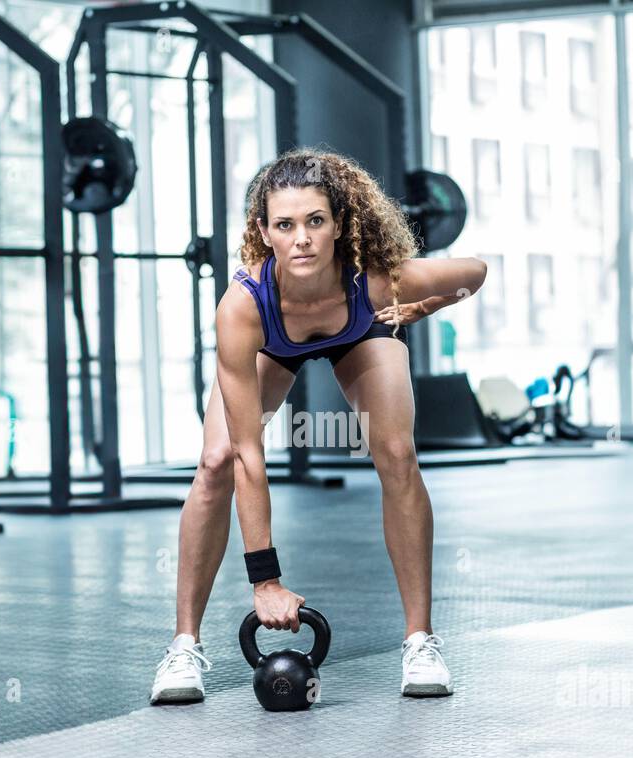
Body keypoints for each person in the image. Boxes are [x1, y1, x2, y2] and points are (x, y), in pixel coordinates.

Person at [150, 148, 486, 704]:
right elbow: (248, 454)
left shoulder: (380, 281)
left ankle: (420, 640)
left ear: (338, 226)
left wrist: (421, 308)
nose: (301, 238)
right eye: (285, 225)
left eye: (314, 222)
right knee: (215, 462)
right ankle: (183, 647)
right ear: (264, 231)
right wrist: (265, 579)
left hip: (361, 330)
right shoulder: (242, 307)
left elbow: (474, 273)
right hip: (274, 342)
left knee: (397, 452)